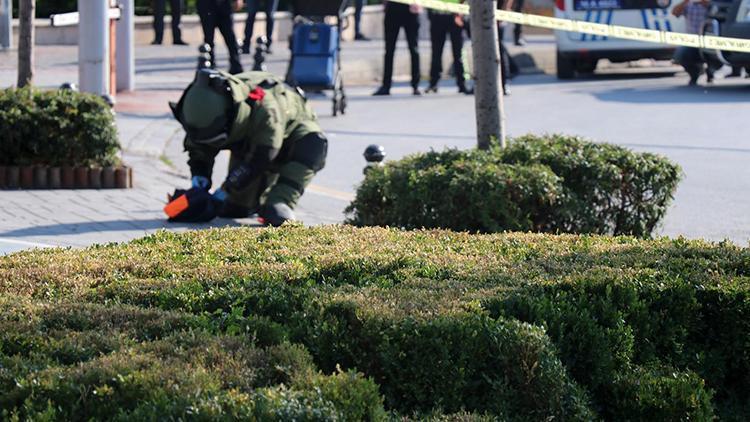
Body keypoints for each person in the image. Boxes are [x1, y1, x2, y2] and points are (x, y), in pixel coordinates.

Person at [171, 68, 328, 226]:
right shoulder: (206, 105)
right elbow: (199, 146)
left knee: (314, 144)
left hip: (286, 141)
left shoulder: (266, 111)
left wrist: (226, 189)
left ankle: (281, 200)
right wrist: (200, 180)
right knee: (234, 209)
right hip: (250, 145)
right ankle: (253, 201)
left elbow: (262, 158)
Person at [373, 1, 422, 96]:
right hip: (393, 8)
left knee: (414, 49)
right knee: (389, 50)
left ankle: (416, 85)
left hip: (410, 8)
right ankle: (386, 85)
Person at [672, 0, 719, 85]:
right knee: (681, 55)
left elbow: (718, 11)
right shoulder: (688, 5)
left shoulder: (709, 4)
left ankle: (711, 70)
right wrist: (686, 1)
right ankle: (694, 74)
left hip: (710, 41)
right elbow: (675, 13)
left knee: (716, 56)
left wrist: (704, 3)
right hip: (692, 42)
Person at [425, 9, 471, 94]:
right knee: (436, 53)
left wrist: (461, 14)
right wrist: (430, 13)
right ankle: (433, 83)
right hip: (437, 16)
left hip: (455, 17)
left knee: (458, 53)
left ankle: (462, 84)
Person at [197, 0, 244, 74]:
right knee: (208, 40)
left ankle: (236, 67)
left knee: (231, 38)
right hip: (206, 5)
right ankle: (210, 67)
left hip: (224, 4)